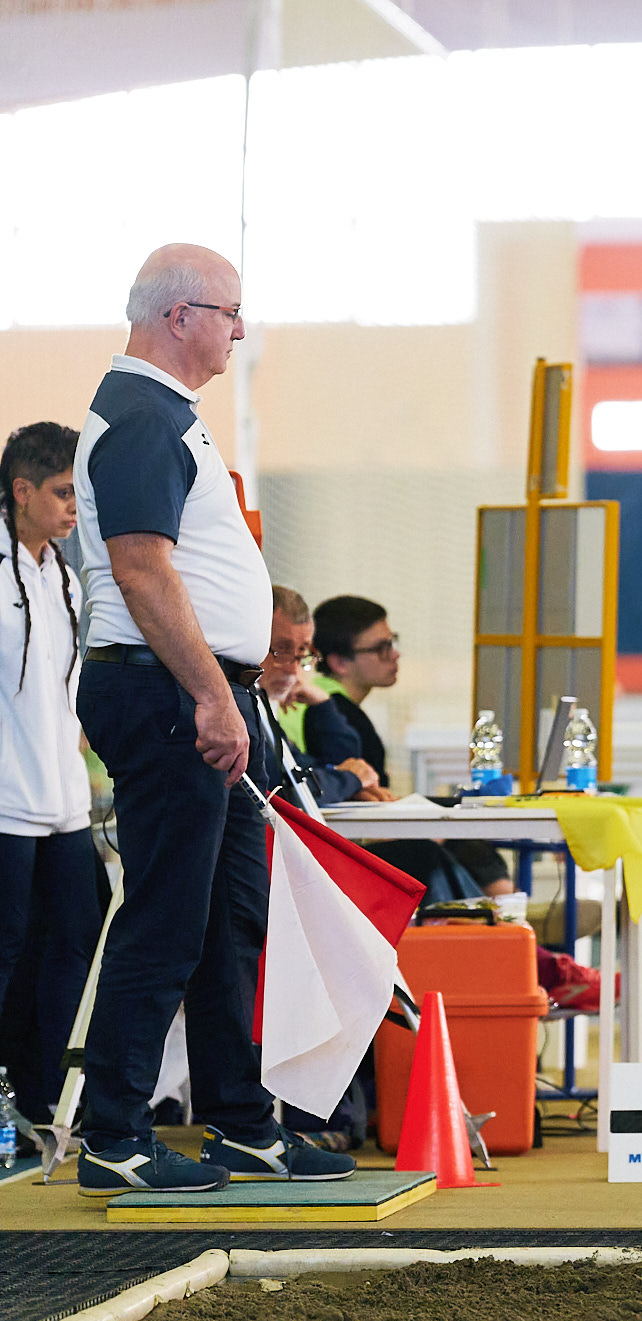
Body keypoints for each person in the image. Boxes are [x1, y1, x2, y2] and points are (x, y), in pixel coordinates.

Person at [72, 244, 351, 1194]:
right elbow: (142, 569)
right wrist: (209, 694)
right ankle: (115, 1134)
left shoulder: (169, 413)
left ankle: (241, 1122)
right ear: (179, 315)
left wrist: (221, 690)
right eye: (231, 312)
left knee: (228, 917)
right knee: (165, 914)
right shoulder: (140, 415)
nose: (240, 329)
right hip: (167, 694)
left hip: (193, 690)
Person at [0, 422, 103, 1125]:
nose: (74, 507)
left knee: (72, 948)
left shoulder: (61, 573)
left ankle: (46, 1099)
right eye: (63, 492)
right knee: (6, 954)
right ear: (22, 490)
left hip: (66, 805)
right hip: (7, 805)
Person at [253, 587, 387, 809]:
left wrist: (322, 704)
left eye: (301, 654)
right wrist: (350, 780)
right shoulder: (241, 710)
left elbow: (337, 764)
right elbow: (286, 789)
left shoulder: (266, 707)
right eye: (282, 651)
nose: (293, 670)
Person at [302, 595, 398, 787]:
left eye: (392, 642)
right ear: (339, 662)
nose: (395, 654)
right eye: (381, 648)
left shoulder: (313, 692)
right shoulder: (337, 712)